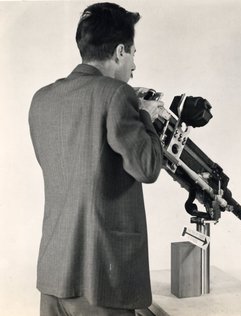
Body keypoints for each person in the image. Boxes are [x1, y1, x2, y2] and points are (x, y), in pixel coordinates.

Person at [29, 3, 164, 315]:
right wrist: (145, 116)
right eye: (132, 53)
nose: (134, 65)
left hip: (53, 275)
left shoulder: (41, 99)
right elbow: (147, 167)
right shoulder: (118, 94)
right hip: (101, 281)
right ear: (119, 52)